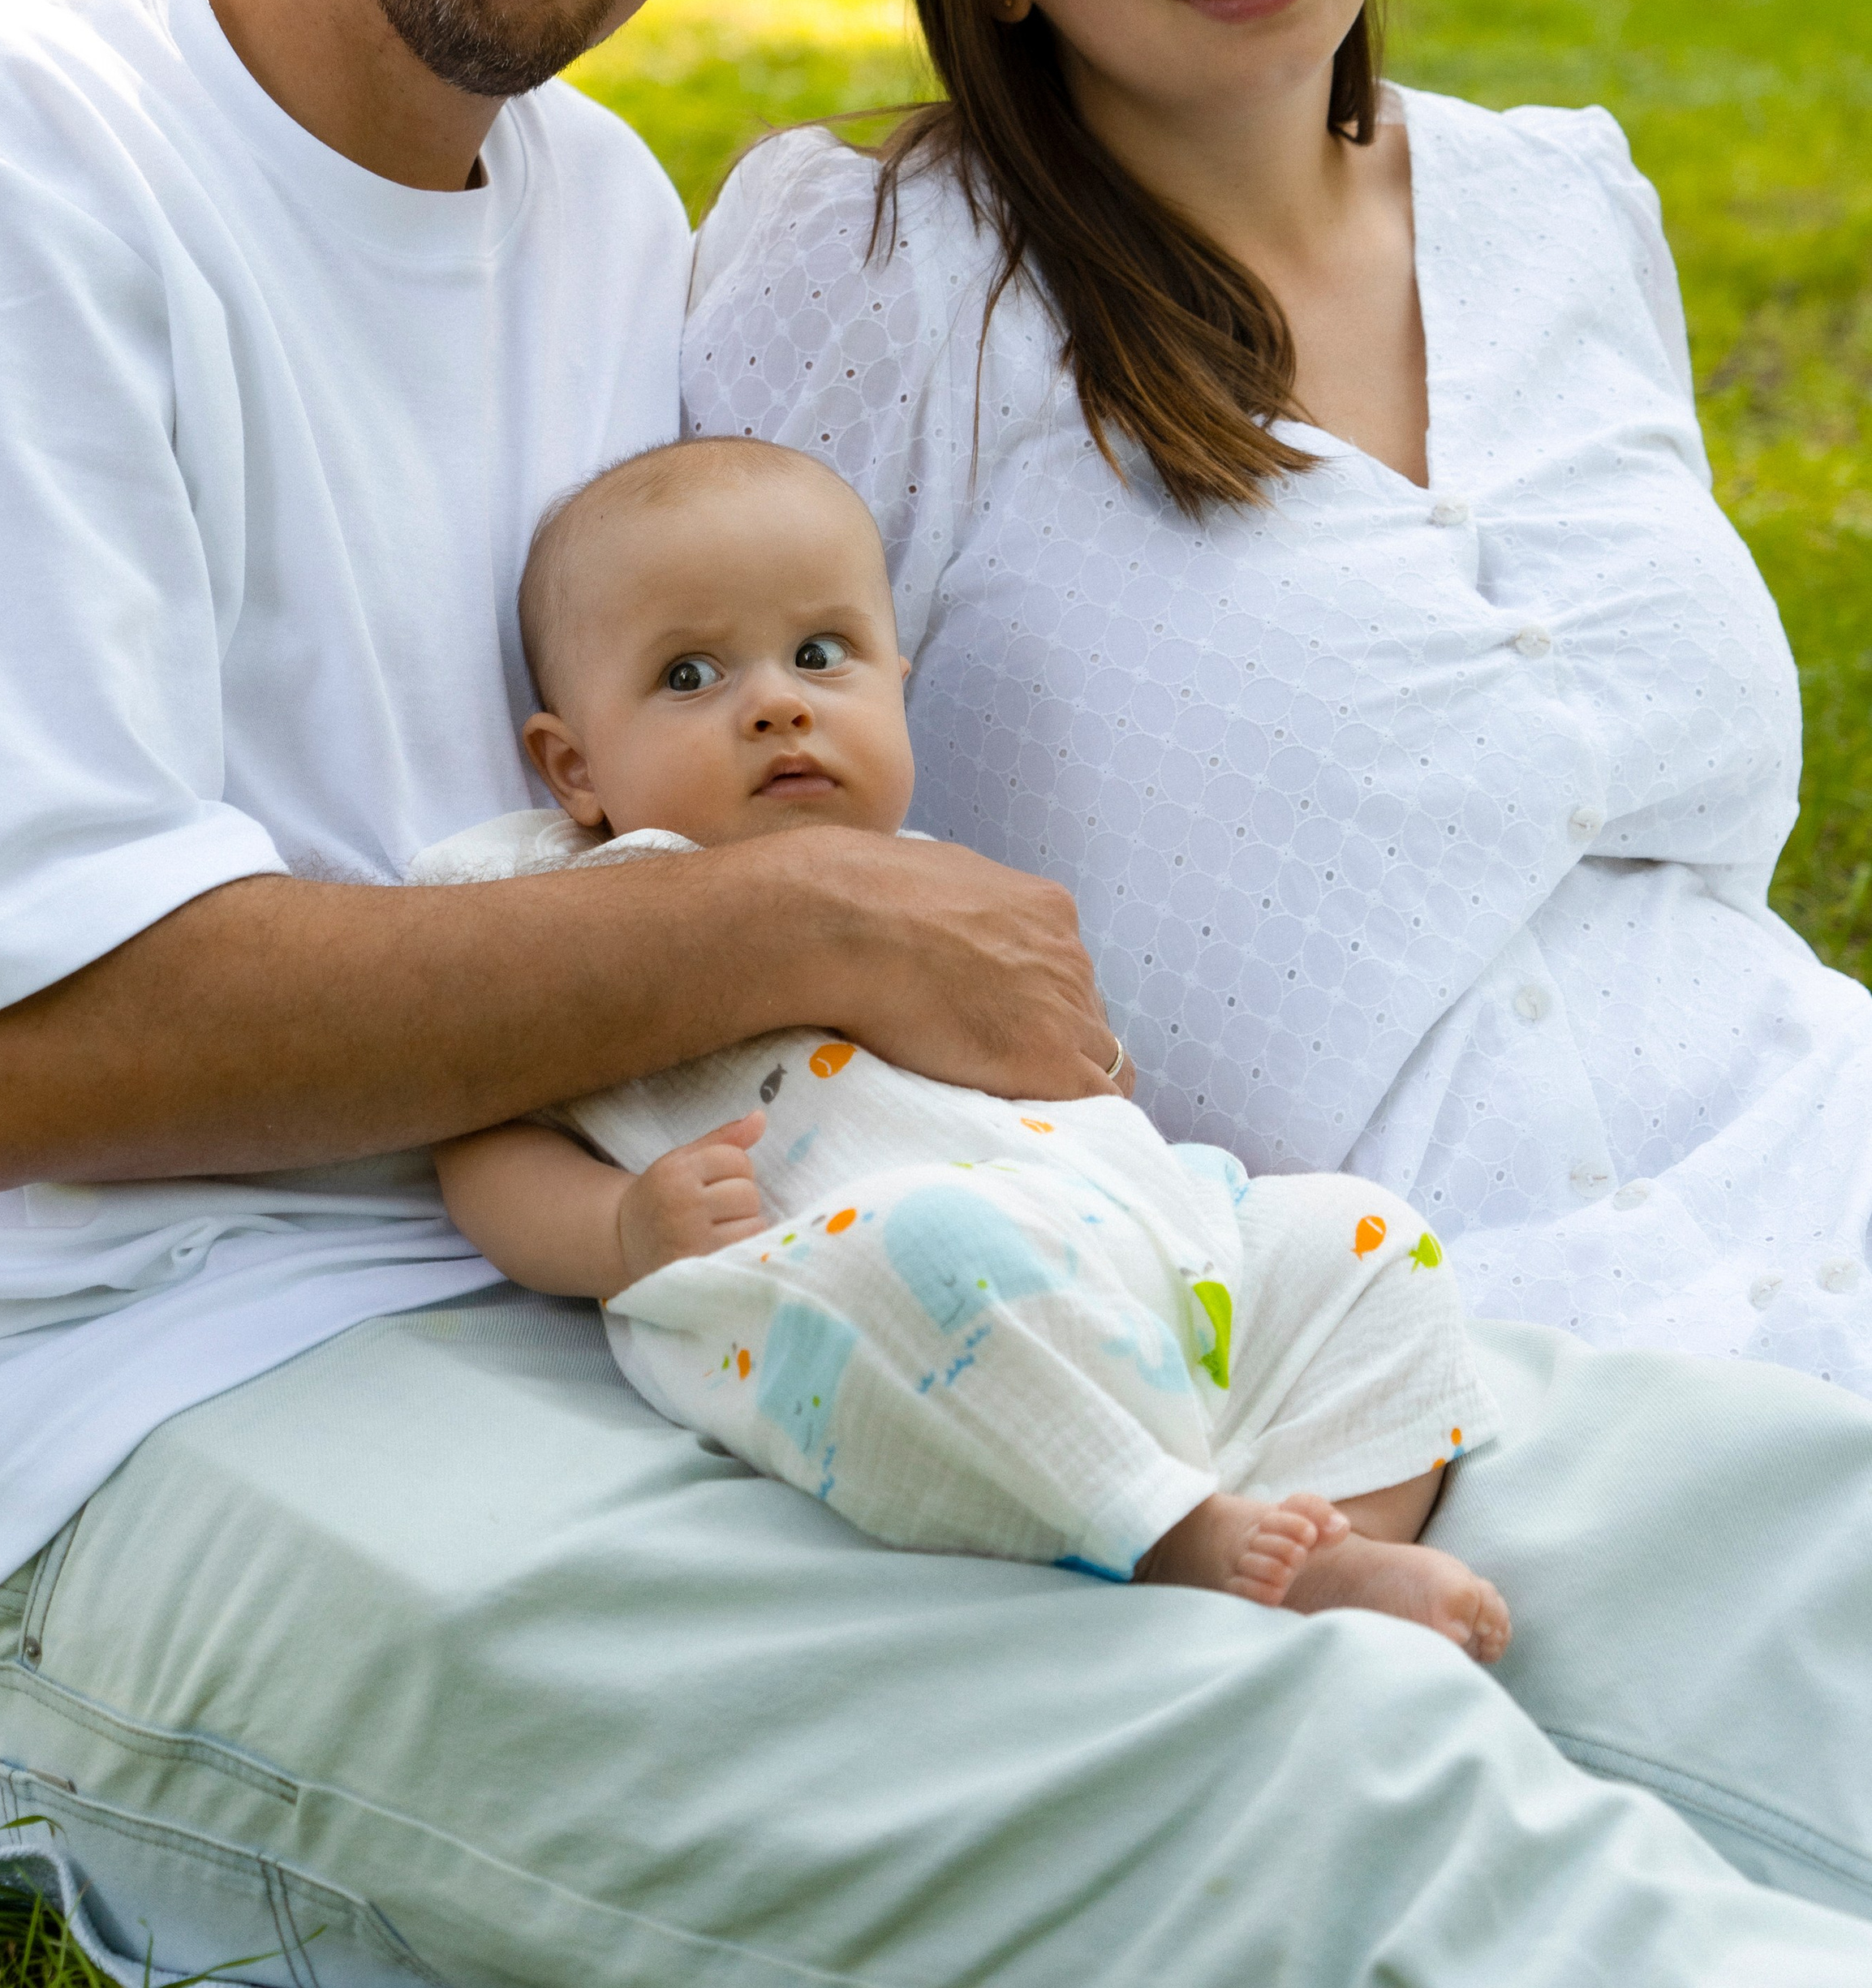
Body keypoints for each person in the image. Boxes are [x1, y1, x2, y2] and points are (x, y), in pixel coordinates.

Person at [0, 0, 1872, 1983]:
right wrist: (807, 925)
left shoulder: (592, 218)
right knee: (1294, 1771)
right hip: (152, 1400)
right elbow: (21, 1054)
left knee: (1698, 1535)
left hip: (718, 1266)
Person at [685, 0, 1872, 1401]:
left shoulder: (1557, 199)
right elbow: (685, 813)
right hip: (1388, 1356)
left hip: (1815, 1148)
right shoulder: (885, 278)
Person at [426, 434, 1510, 1655]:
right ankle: (1178, 1537)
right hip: (862, 1277)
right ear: (574, 766)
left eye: (820, 654)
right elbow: (483, 1136)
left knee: (1361, 1237)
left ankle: (1336, 1537)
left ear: (897, 686)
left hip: (1141, 1251)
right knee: (932, 1252)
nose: (778, 702)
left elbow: (1077, 1070)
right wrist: (620, 1231)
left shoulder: (943, 880)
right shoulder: (570, 904)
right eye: (690, 674)